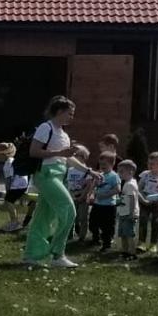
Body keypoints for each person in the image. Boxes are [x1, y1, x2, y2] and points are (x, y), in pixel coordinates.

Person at [24, 96, 91, 270]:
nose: (72, 117)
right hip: (46, 175)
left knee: (43, 216)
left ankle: (32, 255)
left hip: (58, 175)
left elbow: (68, 160)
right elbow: (34, 151)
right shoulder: (46, 128)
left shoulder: (64, 135)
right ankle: (57, 254)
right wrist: (61, 153)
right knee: (69, 211)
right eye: (70, 113)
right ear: (60, 111)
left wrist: (89, 171)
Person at [90, 158, 124, 252]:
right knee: (93, 223)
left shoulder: (114, 176)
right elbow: (93, 187)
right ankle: (95, 239)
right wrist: (92, 195)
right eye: (101, 164)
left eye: (105, 164)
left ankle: (106, 244)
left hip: (109, 205)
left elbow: (117, 189)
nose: (102, 166)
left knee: (107, 226)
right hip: (97, 204)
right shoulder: (99, 175)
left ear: (112, 164)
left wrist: (105, 195)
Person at [136, 152, 158, 250]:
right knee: (143, 221)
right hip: (145, 200)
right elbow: (138, 188)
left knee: (155, 223)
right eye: (149, 163)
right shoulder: (145, 174)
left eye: (152, 163)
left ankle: (153, 244)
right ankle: (141, 242)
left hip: (157, 202)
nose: (150, 165)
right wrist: (143, 199)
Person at [0, 142, 27, 232]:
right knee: (9, 201)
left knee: (8, 202)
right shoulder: (13, 160)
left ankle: (14, 222)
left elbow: (9, 180)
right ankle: (14, 221)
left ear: (3, 154)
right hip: (23, 184)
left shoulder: (7, 164)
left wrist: (8, 191)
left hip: (17, 186)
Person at [116, 161, 141, 257]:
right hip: (124, 212)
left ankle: (132, 252)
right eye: (119, 172)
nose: (119, 174)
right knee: (122, 233)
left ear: (131, 172)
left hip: (129, 214)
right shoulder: (128, 182)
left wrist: (131, 213)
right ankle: (125, 251)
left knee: (129, 234)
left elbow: (132, 199)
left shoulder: (130, 184)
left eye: (122, 172)